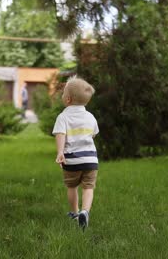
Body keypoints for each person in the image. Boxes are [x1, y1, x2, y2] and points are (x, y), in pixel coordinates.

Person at [52, 77, 99, 230]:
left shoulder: (63, 117)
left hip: (71, 160)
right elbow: (93, 134)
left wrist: (60, 152)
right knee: (88, 187)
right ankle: (85, 211)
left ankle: (74, 212)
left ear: (68, 99)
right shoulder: (91, 117)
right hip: (91, 160)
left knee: (72, 187)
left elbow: (60, 134)